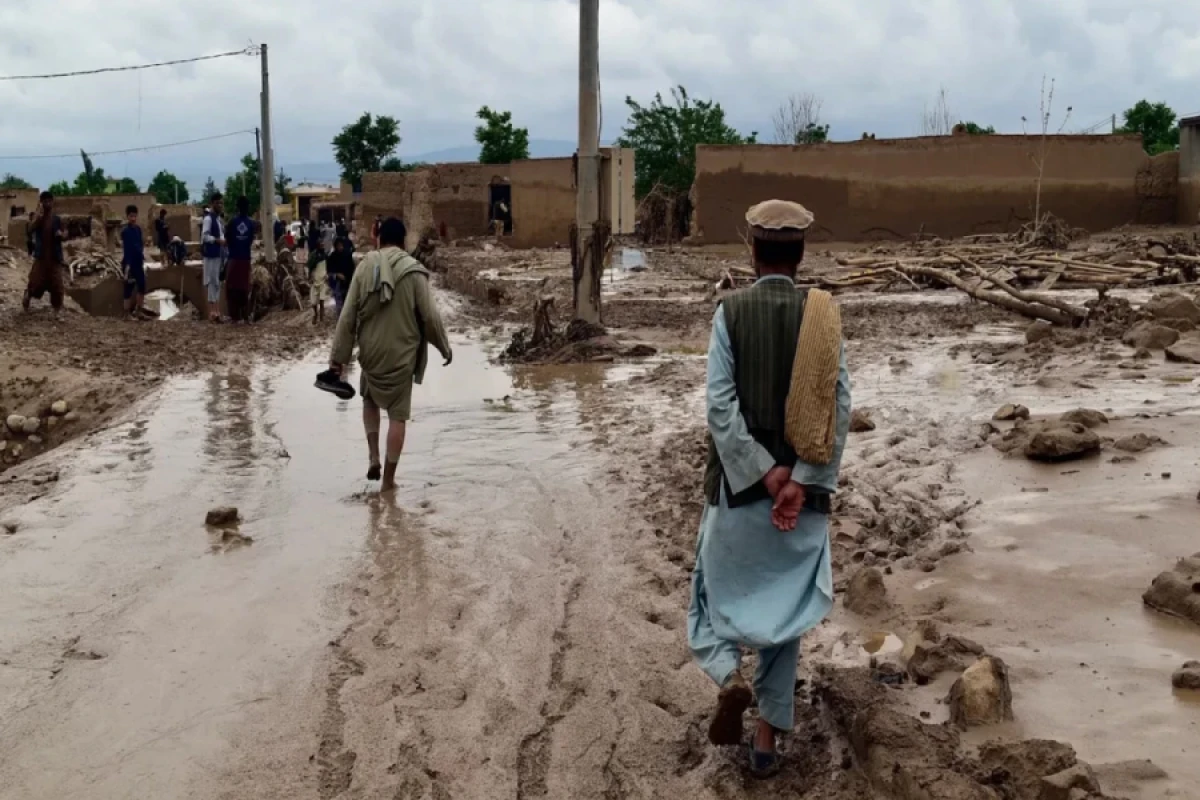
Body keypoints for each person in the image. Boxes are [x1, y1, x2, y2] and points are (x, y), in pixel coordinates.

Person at [687, 199, 851, 776]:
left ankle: (728, 674)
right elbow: (839, 405)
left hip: (737, 495)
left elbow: (720, 407)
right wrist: (802, 481)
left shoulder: (728, 314)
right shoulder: (824, 315)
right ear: (801, 253)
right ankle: (763, 741)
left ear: (752, 251)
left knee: (707, 596)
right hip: (800, 507)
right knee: (784, 619)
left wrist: (763, 472)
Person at [329, 218, 452, 492]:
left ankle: (373, 456)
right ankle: (388, 482)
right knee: (398, 417)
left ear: (379, 239)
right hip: (402, 355)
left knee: (369, 399)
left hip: (371, 353)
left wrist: (338, 359)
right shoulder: (414, 272)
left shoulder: (364, 268)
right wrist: (444, 346)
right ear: (404, 241)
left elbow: (347, 316)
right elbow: (430, 318)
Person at [23, 191, 67, 313]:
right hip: (41, 258)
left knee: (57, 285)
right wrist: (38, 218)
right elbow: (30, 229)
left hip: (54, 259)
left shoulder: (57, 220)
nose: (47, 203)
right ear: (41, 203)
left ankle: (57, 310)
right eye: (45, 201)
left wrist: (61, 235)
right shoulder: (39, 219)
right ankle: (28, 296)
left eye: (49, 201)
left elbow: (65, 233)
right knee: (36, 282)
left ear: (52, 202)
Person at [225, 196, 256, 324]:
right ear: (247, 208)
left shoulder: (232, 222)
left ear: (237, 207)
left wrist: (235, 247)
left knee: (232, 287)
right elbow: (250, 240)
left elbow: (228, 239)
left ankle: (234, 317)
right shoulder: (251, 223)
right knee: (244, 287)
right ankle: (245, 317)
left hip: (234, 258)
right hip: (245, 259)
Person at [201, 193, 226, 322]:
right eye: (218, 203)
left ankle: (216, 311)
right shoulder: (208, 219)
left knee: (217, 282)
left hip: (218, 255)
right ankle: (213, 312)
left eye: (221, 203)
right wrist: (217, 241)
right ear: (212, 204)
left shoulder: (217, 220)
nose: (220, 205)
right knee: (211, 282)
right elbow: (205, 237)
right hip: (211, 255)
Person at [121, 204, 147, 318]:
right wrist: (127, 266)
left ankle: (139, 310)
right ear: (127, 216)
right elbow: (127, 249)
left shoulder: (138, 229)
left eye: (135, 216)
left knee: (142, 286)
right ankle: (126, 314)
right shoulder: (126, 231)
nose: (133, 218)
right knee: (128, 288)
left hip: (138, 262)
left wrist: (142, 255)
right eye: (131, 216)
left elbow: (140, 245)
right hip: (130, 263)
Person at [325, 236, 355, 320]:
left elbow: (352, 268)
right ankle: (341, 319)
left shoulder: (347, 255)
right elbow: (329, 271)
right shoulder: (332, 257)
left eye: (341, 245)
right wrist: (337, 275)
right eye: (338, 246)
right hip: (337, 283)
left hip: (348, 281)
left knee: (348, 301)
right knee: (339, 302)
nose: (340, 247)